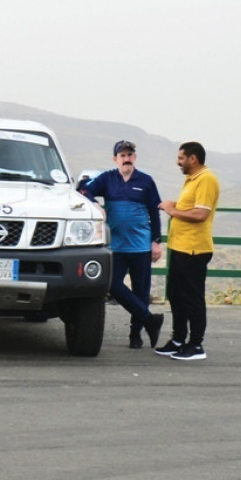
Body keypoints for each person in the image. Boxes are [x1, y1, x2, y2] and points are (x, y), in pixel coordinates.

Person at [77, 140, 164, 349]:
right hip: (116, 247)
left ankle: (136, 335)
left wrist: (156, 241)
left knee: (141, 291)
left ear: (135, 157)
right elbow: (83, 190)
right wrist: (96, 204)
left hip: (141, 247)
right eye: (122, 155)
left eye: (129, 155)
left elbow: (154, 211)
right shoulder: (107, 178)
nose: (126, 159)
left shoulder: (146, 181)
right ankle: (149, 319)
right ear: (115, 159)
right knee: (112, 286)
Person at [155, 141, 220, 362]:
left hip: (194, 249)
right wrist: (172, 204)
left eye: (181, 158)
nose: (177, 162)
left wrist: (172, 210)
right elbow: (189, 207)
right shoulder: (191, 179)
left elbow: (201, 214)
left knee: (192, 298)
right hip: (180, 247)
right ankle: (178, 340)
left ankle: (196, 344)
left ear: (193, 159)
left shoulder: (206, 179)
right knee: (175, 294)